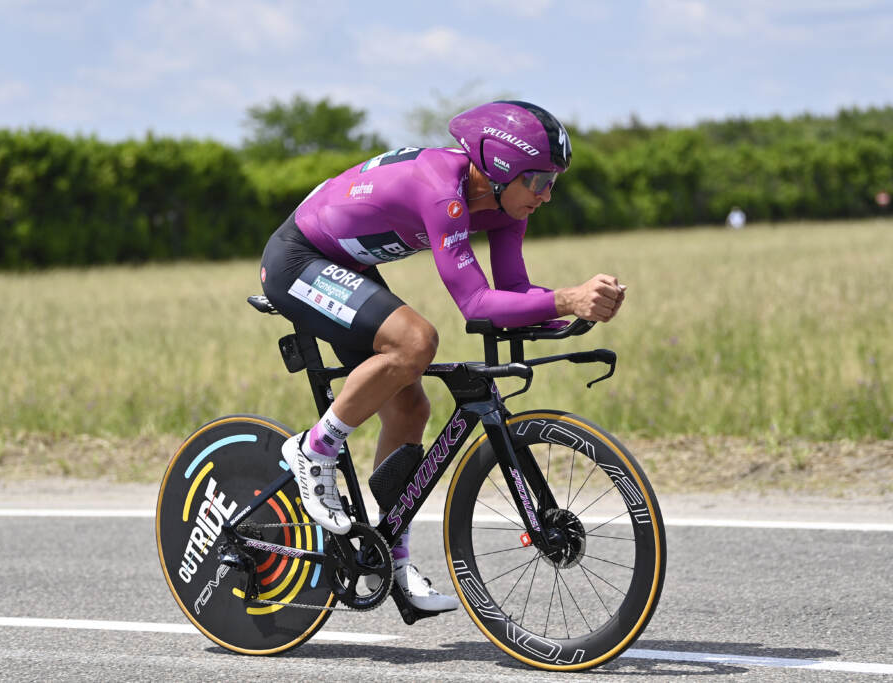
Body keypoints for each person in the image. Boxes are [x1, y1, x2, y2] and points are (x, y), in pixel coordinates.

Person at [259, 100, 625, 613]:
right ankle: (314, 449)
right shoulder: (442, 190)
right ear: (499, 167)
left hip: (344, 266)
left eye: (553, 183)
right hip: (297, 259)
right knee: (415, 342)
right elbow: (475, 303)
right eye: (539, 180)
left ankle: (389, 556)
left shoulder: (504, 206)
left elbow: (512, 293)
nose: (546, 196)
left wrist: (575, 314)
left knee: (411, 409)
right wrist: (565, 297)